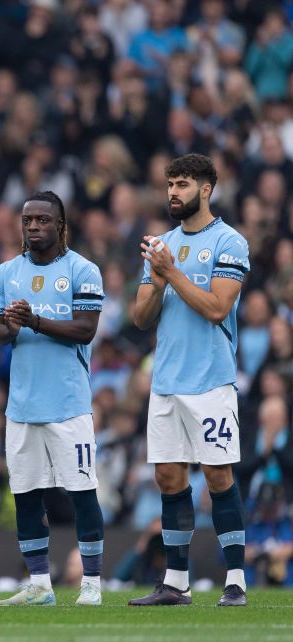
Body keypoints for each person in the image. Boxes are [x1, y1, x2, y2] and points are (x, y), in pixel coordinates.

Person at [130, 153, 250, 607]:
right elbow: (141, 318)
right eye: (170, 185)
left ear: (206, 189)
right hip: (166, 383)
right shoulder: (160, 244)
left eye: (182, 184)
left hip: (211, 381)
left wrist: (171, 272)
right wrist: (157, 280)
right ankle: (176, 583)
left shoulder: (229, 242)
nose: (173, 192)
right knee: (167, 476)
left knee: (218, 476)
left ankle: (235, 579)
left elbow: (218, 307)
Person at [0, 191, 106, 607]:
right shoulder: (6, 274)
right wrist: (13, 325)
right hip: (22, 407)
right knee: (25, 495)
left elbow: (85, 329)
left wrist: (34, 320)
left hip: (69, 406)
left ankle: (91, 584)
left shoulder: (83, 270)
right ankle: (39, 584)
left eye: (42, 220)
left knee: (82, 492)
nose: (34, 226)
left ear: (61, 225)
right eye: (28, 220)